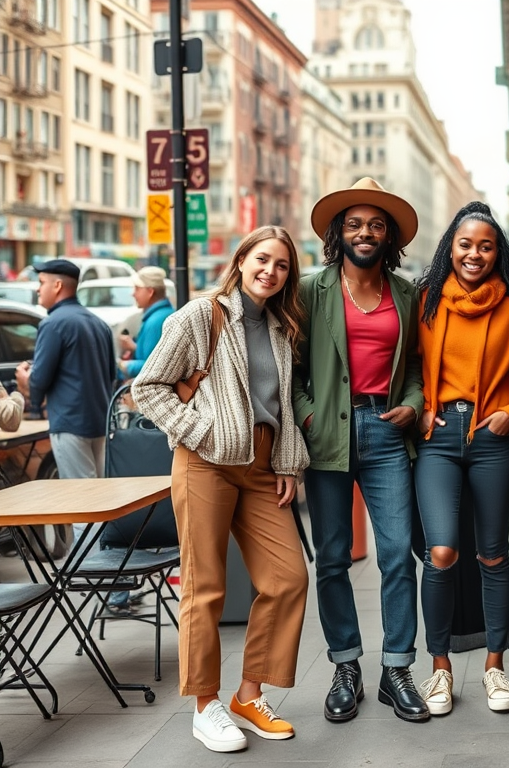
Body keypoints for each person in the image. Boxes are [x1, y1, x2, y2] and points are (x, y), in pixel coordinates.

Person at [132, 226, 310, 753]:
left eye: (280, 265)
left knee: (288, 578)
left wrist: (285, 461)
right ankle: (205, 705)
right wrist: (201, 432)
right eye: (262, 259)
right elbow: (148, 387)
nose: (270, 272)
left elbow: (276, 405)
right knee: (205, 587)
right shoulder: (198, 315)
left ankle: (247, 695)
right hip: (205, 462)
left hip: (259, 466)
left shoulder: (282, 327)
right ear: (241, 261)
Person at [294, 177, 429, 724]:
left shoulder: (407, 293)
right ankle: (345, 665)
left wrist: (416, 403)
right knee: (332, 558)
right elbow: (293, 369)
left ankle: (396, 669)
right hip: (327, 434)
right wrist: (307, 415)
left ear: (389, 236)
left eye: (375, 225)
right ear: (338, 233)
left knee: (397, 554)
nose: (365, 232)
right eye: (354, 224)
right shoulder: (310, 290)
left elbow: (419, 366)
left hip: (386, 431)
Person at [415, 201, 509, 716]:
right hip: (439, 439)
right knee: (442, 551)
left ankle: (495, 666)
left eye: (486, 246)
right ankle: (440, 670)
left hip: (495, 439)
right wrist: (421, 410)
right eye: (466, 244)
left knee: (492, 553)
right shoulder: (426, 303)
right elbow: (404, 366)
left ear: (499, 253)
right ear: (451, 247)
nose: (474, 253)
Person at [15, 259, 115, 546]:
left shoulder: (53, 324)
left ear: (57, 286)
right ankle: (109, 576)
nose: (38, 290)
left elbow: (39, 380)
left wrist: (25, 381)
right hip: (99, 420)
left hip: (70, 423)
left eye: (41, 283)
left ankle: (95, 574)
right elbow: (111, 374)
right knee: (101, 499)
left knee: (83, 501)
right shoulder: (98, 323)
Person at [117, 266, 175, 381]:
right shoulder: (163, 315)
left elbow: (155, 368)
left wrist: (124, 366)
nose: (133, 294)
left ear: (150, 292)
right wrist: (134, 348)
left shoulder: (156, 322)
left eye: (137, 289)